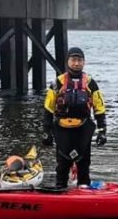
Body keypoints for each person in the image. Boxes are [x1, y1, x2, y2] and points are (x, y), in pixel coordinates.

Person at [42, 47, 107, 188]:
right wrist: (46, 131)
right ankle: (60, 189)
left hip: (83, 129)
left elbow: (99, 108)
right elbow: (48, 108)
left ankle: (84, 190)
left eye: (79, 60)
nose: (76, 63)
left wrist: (102, 131)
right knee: (62, 165)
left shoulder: (90, 83)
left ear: (84, 62)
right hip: (62, 129)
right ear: (67, 62)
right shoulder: (57, 82)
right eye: (73, 60)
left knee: (84, 164)